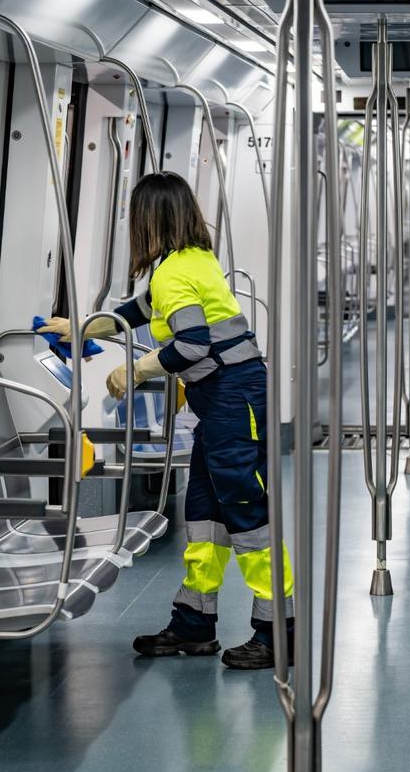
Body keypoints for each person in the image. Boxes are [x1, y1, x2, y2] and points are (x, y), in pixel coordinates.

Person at [37, 172, 294, 670]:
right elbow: (142, 309)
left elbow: (193, 344)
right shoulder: (190, 261)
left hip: (232, 400)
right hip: (224, 398)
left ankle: (277, 628)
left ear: (150, 220)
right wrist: (82, 326)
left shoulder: (177, 271)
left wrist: (135, 370)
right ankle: (194, 623)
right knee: (204, 515)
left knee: (247, 514)